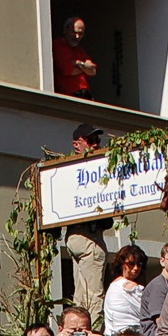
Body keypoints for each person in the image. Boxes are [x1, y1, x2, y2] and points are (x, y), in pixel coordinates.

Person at [62, 124, 112, 318]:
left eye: (97, 141)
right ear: (77, 144)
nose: (95, 145)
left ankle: (78, 332)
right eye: (90, 141)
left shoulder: (66, 170)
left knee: (81, 296)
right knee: (94, 294)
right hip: (88, 235)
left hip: (76, 234)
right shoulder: (87, 168)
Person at [102, 245, 149, 336]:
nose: (136, 268)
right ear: (121, 264)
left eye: (139, 264)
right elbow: (149, 311)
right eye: (131, 263)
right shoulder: (132, 287)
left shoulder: (113, 286)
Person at [53, 17, 97, 98]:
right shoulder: (58, 45)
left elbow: (92, 70)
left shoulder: (80, 50)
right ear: (66, 30)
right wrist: (84, 68)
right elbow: (68, 70)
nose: (77, 36)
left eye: (80, 34)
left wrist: (78, 63)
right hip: (70, 96)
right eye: (74, 32)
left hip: (85, 94)